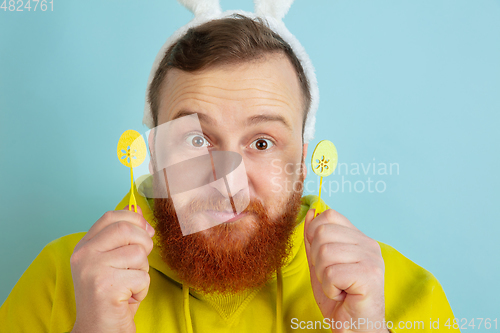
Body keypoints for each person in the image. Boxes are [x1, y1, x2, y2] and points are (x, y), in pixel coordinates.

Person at [0, 6, 459, 333]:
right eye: (196, 140)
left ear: (302, 160)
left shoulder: (397, 296)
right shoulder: (64, 279)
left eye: (262, 142)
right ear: (154, 154)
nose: (227, 182)